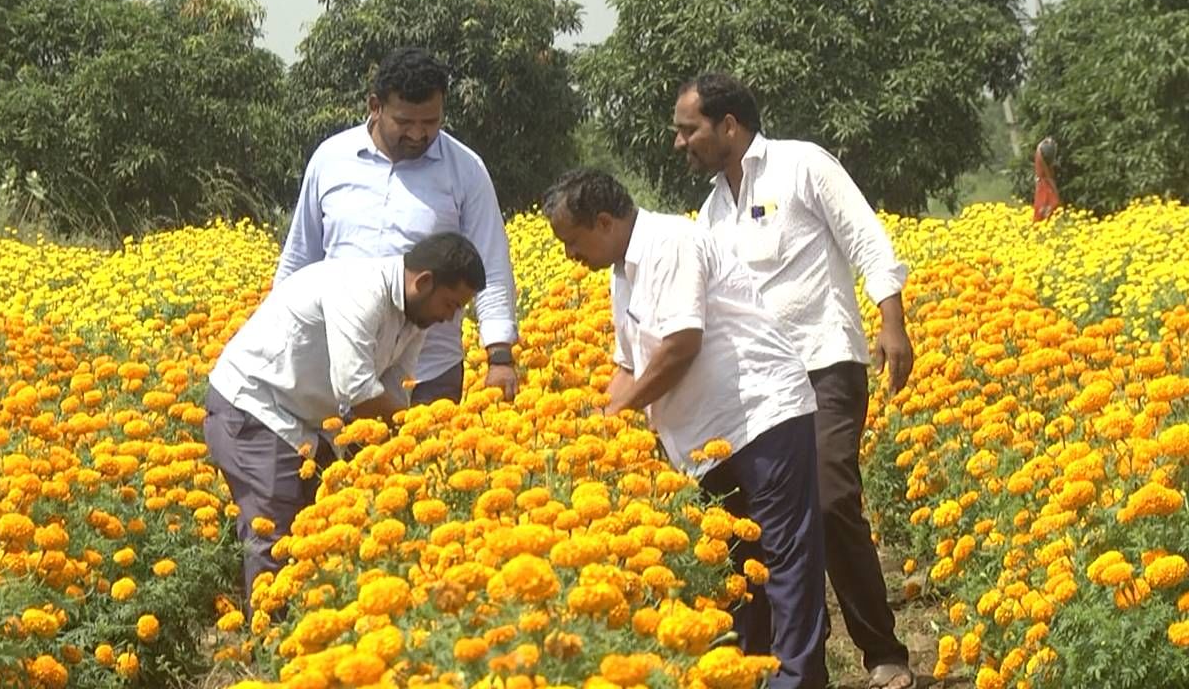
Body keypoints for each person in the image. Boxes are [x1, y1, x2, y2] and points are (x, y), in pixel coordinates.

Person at [673, 73, 916, 689]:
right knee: (765, 524)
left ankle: (883, 651)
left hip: (823, 361)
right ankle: (792, 660)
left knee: (832, 501)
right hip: (758, 390)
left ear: (728, 125)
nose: (679, 142)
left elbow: (865, 236)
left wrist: (892, 322)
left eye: (688, 128)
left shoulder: (801, 165)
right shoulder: (709, 212)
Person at [543, 168, 828, 689]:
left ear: (603, 222)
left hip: (759, 417)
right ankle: (749, 674)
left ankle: (798, 680)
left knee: (784, 562)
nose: (570, 255)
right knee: (738, 571)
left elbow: (680, 344)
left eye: (572, 241)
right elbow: (627, 366)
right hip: (708, 438)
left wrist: (619, 411)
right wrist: (585, 435)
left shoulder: (671, 242)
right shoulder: (621, 272)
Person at [205, 232, 486, 618]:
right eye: (451, 303)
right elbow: (356, 390)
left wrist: (405, 451)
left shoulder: (415, 317)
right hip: (255, 406)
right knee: (275, 537)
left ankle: (312, 639)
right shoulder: (360, 291)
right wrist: (422, 437)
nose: (450, 317)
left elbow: (396, 393)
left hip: (304, 420)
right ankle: (272, 655)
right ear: (423, 282)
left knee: (318, 532)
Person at [275, 46, 518, 405]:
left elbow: (491, 265)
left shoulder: (466, 170)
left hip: (429, 372)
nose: (419, 134)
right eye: (405, 122)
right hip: (334, 370)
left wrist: (499, 355)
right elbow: (299, 260)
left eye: (431, 122)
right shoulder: (330, 160)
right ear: (375, 106)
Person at [1032, 136, 1060, 222]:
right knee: (1050, 205)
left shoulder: (1040, 150)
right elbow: (1049, 178)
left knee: (1043, 208)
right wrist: (1056, 191)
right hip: (1044, 186)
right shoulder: (1044, 161)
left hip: (1041, 184)